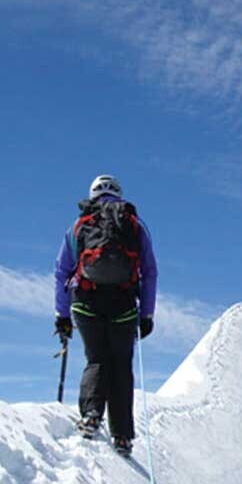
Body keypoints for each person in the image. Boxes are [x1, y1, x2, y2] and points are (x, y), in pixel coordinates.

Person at [53, 175, 158, 455]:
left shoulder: (79, 226)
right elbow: (149, 272)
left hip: (85, 301)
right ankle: (122, 436)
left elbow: (62, 271)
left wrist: (62, 314)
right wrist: (146, 314)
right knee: (121, 365)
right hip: (123, 304)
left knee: (97, 358)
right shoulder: (134, 226)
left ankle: (91, 416)